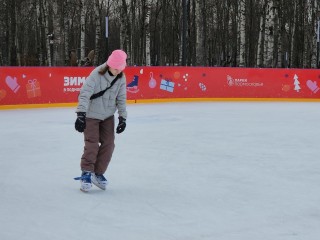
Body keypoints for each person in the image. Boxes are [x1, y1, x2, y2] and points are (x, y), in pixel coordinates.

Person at [74, 49, 128, 192]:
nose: (117, 70)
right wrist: (81, 114)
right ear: (110, 64)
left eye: (120, 68)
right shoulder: (97, 74)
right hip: (91, 115)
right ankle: (86, 172)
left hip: (107, 116)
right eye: (115, 67)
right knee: (92, 144)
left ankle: (97, 173)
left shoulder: (121, 78)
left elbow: (121, 99)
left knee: (109, 144)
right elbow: (85, 94)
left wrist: (123, 118)